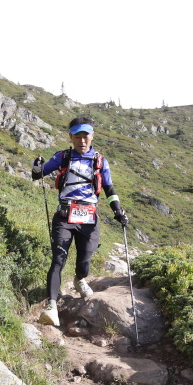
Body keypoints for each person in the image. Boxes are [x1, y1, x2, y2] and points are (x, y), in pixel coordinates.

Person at [31, 116, 128, 326]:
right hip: (64, 217)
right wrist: (37, 166)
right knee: (58, 259)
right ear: (71, 137)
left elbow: (109, 188)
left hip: (89, 218)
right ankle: (51, 307)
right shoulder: (63, 157)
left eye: (85, 136)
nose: (82, 141)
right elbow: (38, 175)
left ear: (92, 136)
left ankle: (80, 279)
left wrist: (118, 211)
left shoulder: (100, 161)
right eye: (77, 136)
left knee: (84, 263)